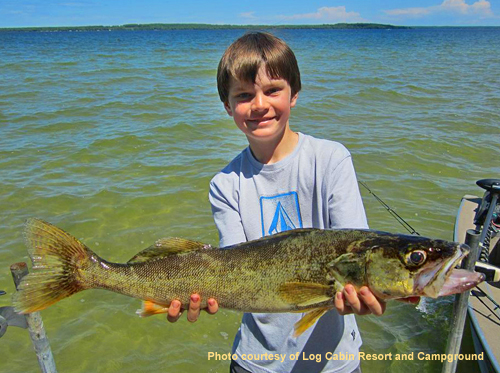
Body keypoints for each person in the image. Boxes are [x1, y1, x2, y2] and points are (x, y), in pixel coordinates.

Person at [168, 31, 387, 373]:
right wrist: (190, 292)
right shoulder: (225, 185)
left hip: (334, 363)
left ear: (294, 94)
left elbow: (356, 248)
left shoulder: (331, 159)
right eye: (243, 95)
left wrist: (365, 293)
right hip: (255, 361)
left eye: (273, 90)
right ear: (227, 106)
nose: (259, 105)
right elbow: (230, 269)